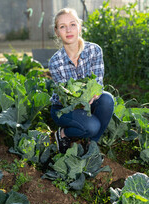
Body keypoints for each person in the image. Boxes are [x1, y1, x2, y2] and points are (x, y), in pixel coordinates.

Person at [48, 8, 114, 154]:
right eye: (62, 27)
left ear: (79, 26)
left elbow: (97, 83)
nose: (68, 30)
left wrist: (93, 95)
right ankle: (63, 134)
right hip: (63, 108)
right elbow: (66, 96)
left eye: (72, 24)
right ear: (57, 32)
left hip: (89, 101)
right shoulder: (55, 62)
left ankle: (92, 145)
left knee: (107, 99)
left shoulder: (94, 50)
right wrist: (83, 99)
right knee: (92, 127)